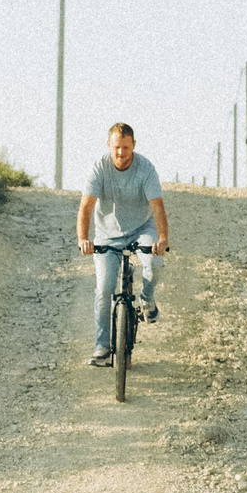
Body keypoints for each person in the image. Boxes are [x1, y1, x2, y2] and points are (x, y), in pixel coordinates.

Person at [77, 121, 171, 365]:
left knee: (155, 263)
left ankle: (147, 299)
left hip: (142, 228)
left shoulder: (145, 169)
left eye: (126, 148)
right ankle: (101, 346)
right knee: (104, 288)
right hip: (107, 234)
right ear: (109, 145)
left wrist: (162, 239)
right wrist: (83, 239)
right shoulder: (99, 168)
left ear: (134, 146)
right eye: (117, 147)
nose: (121, 153)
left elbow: (157, 207)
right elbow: (86, 207)